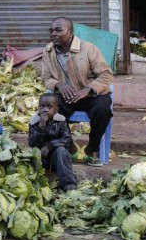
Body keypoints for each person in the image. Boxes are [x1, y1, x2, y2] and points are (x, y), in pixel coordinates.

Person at [41, 17, 114, 167]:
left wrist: (88, 89)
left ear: (70, 33)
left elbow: (106, 74)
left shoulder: (88, 48)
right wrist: (59, 85)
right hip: (66, 96)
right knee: (49, 108)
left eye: (58, 30)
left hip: (92, 95)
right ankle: (69, 145)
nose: (53, 34)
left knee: (103, 109)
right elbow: (46, 78)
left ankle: (92, 149)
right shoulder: (48, 51)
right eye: (51, 30)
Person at [28, 93, 77, 192]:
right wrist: (40, 128)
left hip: (58, 158)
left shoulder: (61, 121)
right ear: (38, 108)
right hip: (42, 158)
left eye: (49, 107)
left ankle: (69, 184)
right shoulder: (34, 122)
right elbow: (32, 142)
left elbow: (67, 139)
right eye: (42, 106)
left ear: (56, 110)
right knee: (30, 153)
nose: (45, 109)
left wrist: (50, 145)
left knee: (61, 150)